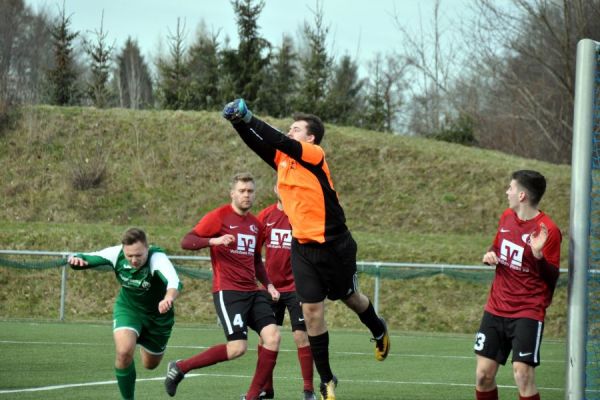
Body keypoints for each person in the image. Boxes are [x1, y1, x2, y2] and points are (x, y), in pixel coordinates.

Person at [222, 99, 390, 400]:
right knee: (312, 313)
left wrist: (250, 116)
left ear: (310, 137)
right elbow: (259, 144)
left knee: (352, 298)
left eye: (296, 128)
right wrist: (238, 123)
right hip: (302, 247)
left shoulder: (314, 154)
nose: (290, 131)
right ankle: (327, 381)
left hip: (335, 244)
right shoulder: (283, 162)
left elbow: (276, 139)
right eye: (291, 128)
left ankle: (378, 330)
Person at [164, 172, 281, 400]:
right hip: (229, 292)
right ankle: (180, 367)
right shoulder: (219, 217)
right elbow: (187, 241)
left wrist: (268, 285)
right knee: (238, 347)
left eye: (250, 191)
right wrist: (213, 240)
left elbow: (256, 259)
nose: (246, 195)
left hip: (253, 291)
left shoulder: (256, 225)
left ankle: (252, 396)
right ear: (232, 194)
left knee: (273, 337)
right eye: (242, 191)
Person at [473, 170, 562, 400]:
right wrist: (490, 254)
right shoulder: (506, 217)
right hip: (496, 307)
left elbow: (553, 277)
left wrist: (537, 255)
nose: (507, 192)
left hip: (528, 311)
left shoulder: (548, 230)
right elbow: (496, 246)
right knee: (483, 375)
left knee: (522, 375)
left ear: (522, 195)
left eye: (510, 188)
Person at [67, 227, 181, 400]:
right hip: (129, 309)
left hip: (158, 317)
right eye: (129, 256)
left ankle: (151, 345)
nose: (134, 260)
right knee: (123, 352)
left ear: (147, 249)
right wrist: (75, 260)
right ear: (123, 250)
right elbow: (86, 257)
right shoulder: (116, 254)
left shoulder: (157, 258)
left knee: (150, 365)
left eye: (138, 255)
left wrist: (168, 298)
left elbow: (174, 281)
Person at [257, 185, 316, 400]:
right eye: (281, 186)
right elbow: (254, 250)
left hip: (295, 288)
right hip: (270, 289)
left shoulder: (300, 216)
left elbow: (311, 251)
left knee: (301, 336)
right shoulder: (266, 215)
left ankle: (308, 390)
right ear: (275, 189)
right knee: (266, 339)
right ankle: (266, 388)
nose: (285, 189)